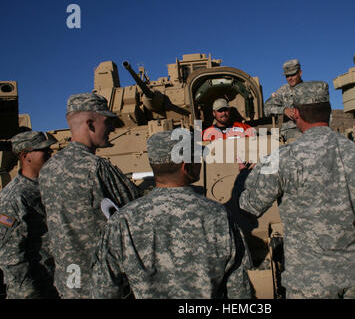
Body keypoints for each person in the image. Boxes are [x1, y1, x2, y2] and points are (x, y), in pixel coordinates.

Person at [239, 81, 355, 298]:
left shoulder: (281, 157)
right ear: (329, 111)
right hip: (354, 275)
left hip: (307, 282)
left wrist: (247, 175)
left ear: (295, 113)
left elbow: (250, 205)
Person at [91, 130, 252, 298]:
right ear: (186, 167)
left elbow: (104, 291)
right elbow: (239, 291)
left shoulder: (122, 222)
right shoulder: (219, 216)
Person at [38, 93, 140, 298]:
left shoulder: (48, 170)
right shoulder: (96, 168)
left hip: (69, 282)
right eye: (107, 122)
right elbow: (134, 212)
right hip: (102, 283)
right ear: (90, 124)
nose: (112, 129)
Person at [0, 131, 58, 298]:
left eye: (49, 150)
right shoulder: (13, 198)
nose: (49, 154)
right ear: (26, 156)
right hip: (35, 288)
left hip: (56, 282)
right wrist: (27, 294)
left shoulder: (47, 187)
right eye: (43, 151)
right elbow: (11, 257)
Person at [264, 59, 305, 141]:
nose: (290, 78)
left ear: (300, 73)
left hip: (311, 127)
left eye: (292, 75)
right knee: (303, 140)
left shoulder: (311, 89)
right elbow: (266, 109)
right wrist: (284, 110)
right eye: (287, 76)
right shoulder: (282, 91)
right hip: (291, 130)